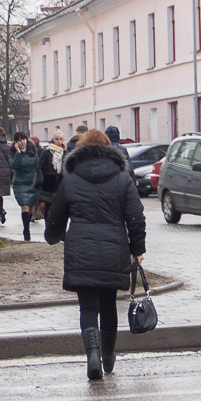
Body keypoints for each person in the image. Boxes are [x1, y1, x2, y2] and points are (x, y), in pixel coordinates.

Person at [45, 128, 147, 380]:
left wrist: (53, 236)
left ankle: (92, 355)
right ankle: (109, 355)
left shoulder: (71, 179)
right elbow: (136, 217)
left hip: (81, 249)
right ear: (109, 150)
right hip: (114, 249)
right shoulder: (122, 179)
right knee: (109, 304)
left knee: (88, 306)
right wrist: (138, 249)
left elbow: (55, 216)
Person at [10, 131, 40, 241]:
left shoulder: (33, 151)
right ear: (16, 142)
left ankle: (27, 223)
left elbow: (38, 166)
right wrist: (18, 153)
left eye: (23, 139)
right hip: (20, 184)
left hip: (32, 183)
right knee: (25, 207)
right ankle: (26, 230)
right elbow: (14, 166)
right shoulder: (13, 153)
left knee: (30, 207)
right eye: (19, 140)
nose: (22, 142)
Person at [35, 129, 66, 220]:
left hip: (60, 183)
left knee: (57, 208)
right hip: (47, 183)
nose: (59, 141)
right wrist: (42, 179)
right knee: (48, 208)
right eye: (57, 139)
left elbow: (68, 166)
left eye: (61, 139)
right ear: (53, 139)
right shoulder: (47, 152)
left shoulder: (64, 153)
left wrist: (66, 150)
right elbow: (39, 167)